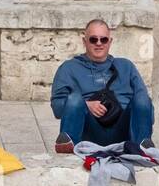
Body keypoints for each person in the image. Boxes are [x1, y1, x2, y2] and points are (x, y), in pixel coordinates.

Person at [50, 19, 153, 153]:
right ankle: (69, 148)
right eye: (93, 39)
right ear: (84, 41)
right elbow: (57, 109)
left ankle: (142, 147)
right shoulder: (68, 68)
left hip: (123, 131)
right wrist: (86, 105)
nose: (99, 43)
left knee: (143, 98)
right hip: (87, 130)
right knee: (74, 98)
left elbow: (147, 109)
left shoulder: (126, 66)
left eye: (103, 40)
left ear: (110, 42)